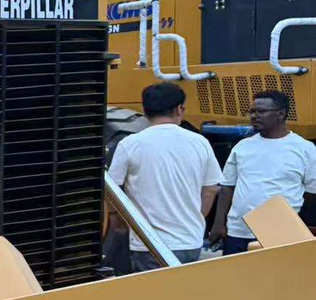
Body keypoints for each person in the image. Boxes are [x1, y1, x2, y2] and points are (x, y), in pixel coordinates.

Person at [110, 82, 221, 272]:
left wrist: (116, 221)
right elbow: (211, 188)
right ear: (179, 109)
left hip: (148, 245)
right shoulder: (200, 142)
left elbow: (112, 190)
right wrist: (195, 217)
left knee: (154, 290)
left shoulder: (130, 144)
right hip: (190, 242)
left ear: (145, 110)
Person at [210, 90, 316, 254]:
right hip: (238, 231)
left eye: (261, 111)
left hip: (281, 233)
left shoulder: (305, 149)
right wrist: (218, 223)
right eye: (252, 111)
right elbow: (227, 186)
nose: (254, 116)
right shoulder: (242, 146)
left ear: (281, 113)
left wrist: (295, 220)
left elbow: (311, 193)